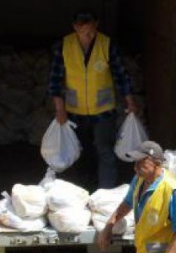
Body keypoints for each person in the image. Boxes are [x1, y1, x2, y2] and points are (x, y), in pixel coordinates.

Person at [49, 10, 138, 190]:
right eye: (83, 32)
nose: (88, 36)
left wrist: (129, 100)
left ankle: (106, 192)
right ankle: (83, 190)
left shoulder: (107, 44)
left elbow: (121, 75)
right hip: (75, 110)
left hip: (103, 110)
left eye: (91, 32)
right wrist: (60, 109)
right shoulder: (64, 46)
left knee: (105, 150)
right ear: (75, 28)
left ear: (96, 25)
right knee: (81, 151)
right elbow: (55, 81)